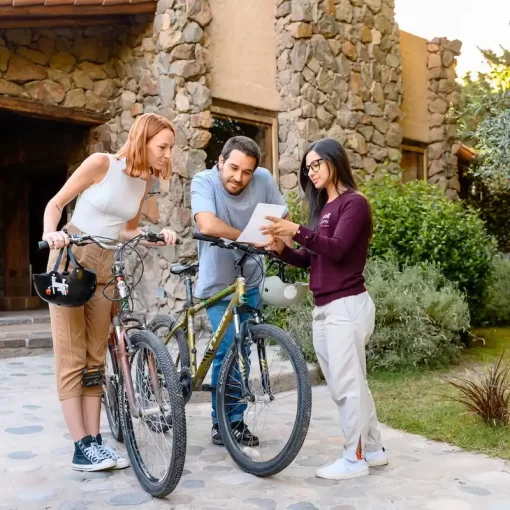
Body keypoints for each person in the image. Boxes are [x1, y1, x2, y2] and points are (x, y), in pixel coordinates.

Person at [42, 113, 178, 472]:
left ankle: (96, 441)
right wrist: (52, 232)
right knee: (71, 355)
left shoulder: (143, 182)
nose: (167, 154)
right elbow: (55, 205)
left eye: (170, 148)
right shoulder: (101, 164)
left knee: (94, 358)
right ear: (142, 140)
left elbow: (124, 230)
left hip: (106, 263)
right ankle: (80, 446)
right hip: (72, 254)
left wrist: (153, 233)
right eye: (162, 146)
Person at [261, 138, 388, 481]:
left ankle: (354, 458)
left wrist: (297, 230)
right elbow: (311, 257)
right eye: (307, 167)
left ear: (335, 161)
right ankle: (373, 449)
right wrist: (281, 248)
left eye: (316, 164)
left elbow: (338, 248)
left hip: (346, 306)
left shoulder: (354, 204)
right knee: (351, 383)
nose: (311, 171)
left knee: (346, 386)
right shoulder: (323, 208)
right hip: (326, 308)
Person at [191, 136, 290, 446]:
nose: (239, 177)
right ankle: (223, 422)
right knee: (226, 350)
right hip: (219, 281)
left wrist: (278, 241)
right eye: (233, 168)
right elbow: (207, 225)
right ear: (220, 162)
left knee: (243, 347)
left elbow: (281, 221)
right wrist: (249, 239)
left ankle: (232, 418)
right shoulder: (203, 181)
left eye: (247, 171)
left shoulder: (263, 180)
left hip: (251, 278)